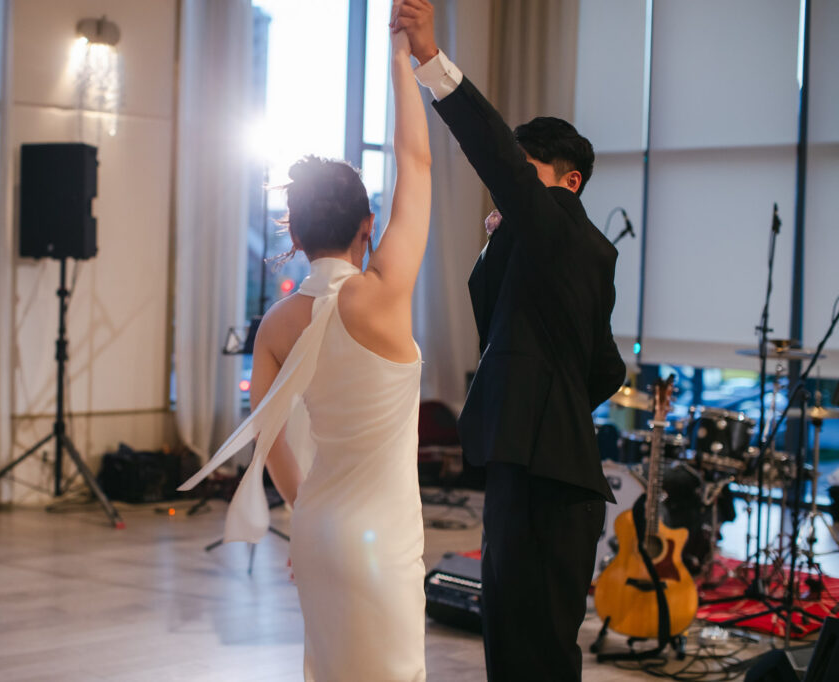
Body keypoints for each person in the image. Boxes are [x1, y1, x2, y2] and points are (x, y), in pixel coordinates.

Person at [179, 21, 432, 681]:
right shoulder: (383, 295)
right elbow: (417, 164)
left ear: (294, 234)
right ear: (367, 225)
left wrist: (306, 510)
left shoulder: (275, 325)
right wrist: (402, 59)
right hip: (383, 537)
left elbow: (269, 443)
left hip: (316, 529)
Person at [392, 1, 626, 680]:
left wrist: (430, 60)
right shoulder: (549, 250)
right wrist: (551, 407)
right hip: (526, 466)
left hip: (552, 483)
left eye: (528, 172)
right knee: (508, 647)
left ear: (569, 182)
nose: (512, 186)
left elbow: (491, 147)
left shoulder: (566, 231)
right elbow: (604, 368)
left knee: (541, 655)